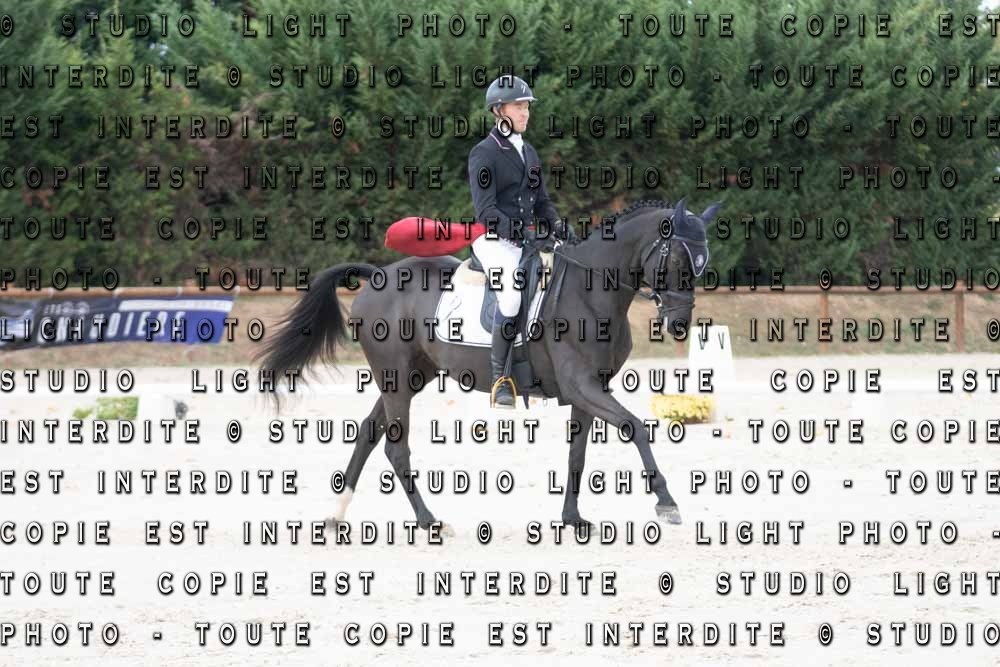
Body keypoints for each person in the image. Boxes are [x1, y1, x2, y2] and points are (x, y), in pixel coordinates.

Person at [468, 74, 577, 408]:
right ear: (498, 110)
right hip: (493, 240)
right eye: (518, 106)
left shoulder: (528, 152)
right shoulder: (483, 153)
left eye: (527, 106)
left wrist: (557, 226)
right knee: (512, 296)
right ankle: (500, 379)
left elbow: (541, 202)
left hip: (525, 240)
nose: (525, 113)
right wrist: (524, 234)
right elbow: (486, 212)